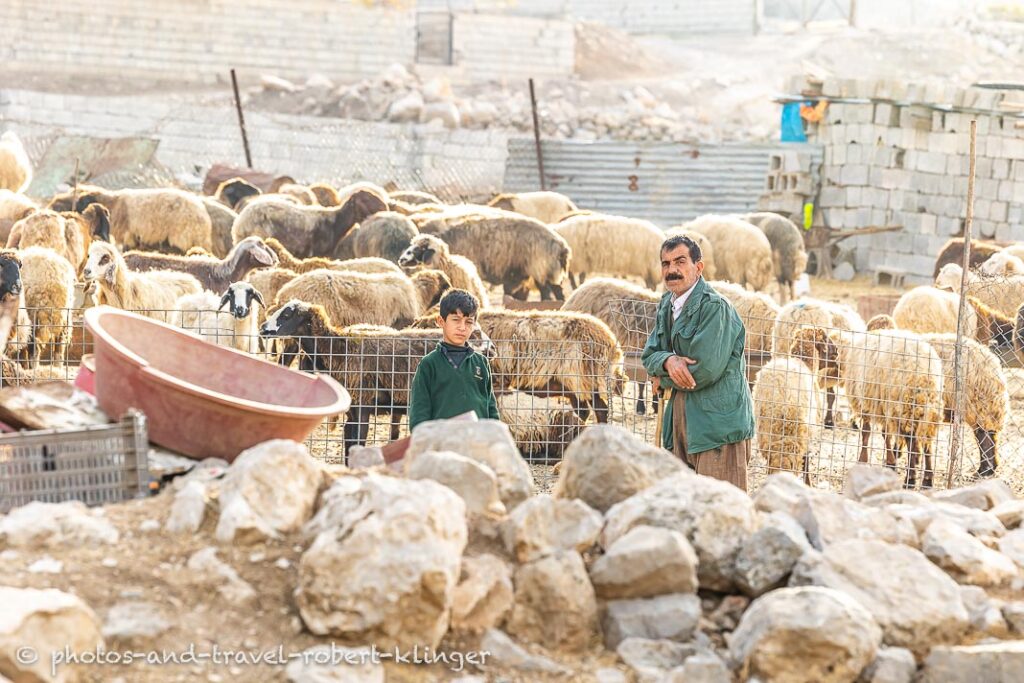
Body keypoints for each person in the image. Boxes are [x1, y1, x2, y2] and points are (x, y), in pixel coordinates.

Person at [641, 234, 755, 490]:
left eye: (680, 262)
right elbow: (649, 355)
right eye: (666, 263)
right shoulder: (667, 305)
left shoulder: (715, 308)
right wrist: (669, 360)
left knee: (721, 510)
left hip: (716, 427)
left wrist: (662, 377)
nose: (672, 270)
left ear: (698, 267)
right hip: (681, 420)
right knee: (686, 506)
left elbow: (702, 370)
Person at [409, 289, 499, 430]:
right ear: (441, 321)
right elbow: (419, 412)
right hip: (442, 443)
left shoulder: (481, 363)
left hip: (476, 442)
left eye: (468, 322)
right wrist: (423, 439)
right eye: (456, 320)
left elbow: (490, 406)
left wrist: (494, 434)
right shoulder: (429, 364)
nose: (462, 327)